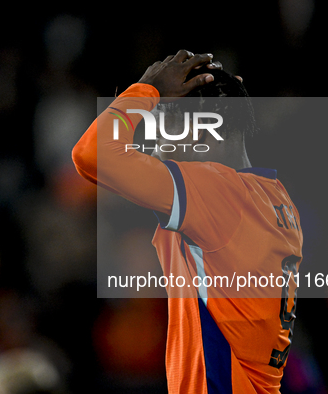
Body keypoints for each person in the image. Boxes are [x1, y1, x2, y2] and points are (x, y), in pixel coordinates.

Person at [72, 50, 303, 393]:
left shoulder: (215, 192)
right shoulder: (275, 198)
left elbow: (91, 155)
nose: (158, 148)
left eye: (167, 133)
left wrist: (146, 89)